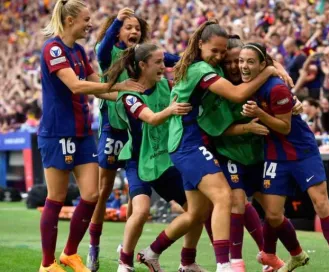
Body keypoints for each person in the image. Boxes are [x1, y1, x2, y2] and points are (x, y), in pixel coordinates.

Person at [38, 1, 143, 271]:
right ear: (70, 20)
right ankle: (47, 263)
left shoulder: (79, 50)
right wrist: (119, 85)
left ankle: (69, 253)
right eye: (86, 19)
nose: (90, 24)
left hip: (83, 131)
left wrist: (130, 93)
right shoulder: (53, 48)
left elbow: (99, 87)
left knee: (92, 194)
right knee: (56, 197)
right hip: (58, 131)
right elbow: (75, 85)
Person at [167, 20, 277, 272]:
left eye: (223, 53)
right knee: (224, 199)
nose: (219, 57)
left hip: (198, 141)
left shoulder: (204, 65)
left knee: (201, 210)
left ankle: (172, 258)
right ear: (201, 44)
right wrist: (268, 71)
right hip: (188, 142)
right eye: (215, 51)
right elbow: (237, 96)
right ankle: (225, 264)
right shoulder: (202, 69)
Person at [240, 43, 329, 272]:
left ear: (263, 65)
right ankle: (296, 255)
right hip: (274, 154)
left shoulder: (277, 88)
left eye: (250, 62)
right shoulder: (243, 86)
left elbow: (284, 127)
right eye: (242, 61)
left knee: (321, 204)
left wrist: (259, 113)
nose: (243, 66)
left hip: (301, 151)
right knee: (272, 214)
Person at [88, 7, 182, 271]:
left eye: (137, 28)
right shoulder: (109, 53)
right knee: (103, 190)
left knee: (135, 199)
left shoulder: (147, 57)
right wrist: (117, 20)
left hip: (138, 129)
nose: (134, 32)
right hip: (113, 128)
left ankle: (125, 249)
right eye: (128, 27)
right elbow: (102, 48)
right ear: (118, 30)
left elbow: (177, 59)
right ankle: (94, 245)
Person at [105, 43, 207, 272]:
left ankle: (182, 260)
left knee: (197, 210)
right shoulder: (129, 95)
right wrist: (170, 110)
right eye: (158, 62)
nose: (164, 66)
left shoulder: (167, 86)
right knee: (141, 211)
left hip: (165, 161)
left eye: (164, 61)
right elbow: (151, 118)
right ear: (142, 65)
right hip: (138, 161)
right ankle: (125, 263)